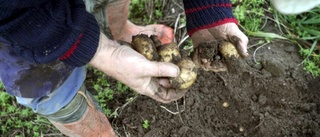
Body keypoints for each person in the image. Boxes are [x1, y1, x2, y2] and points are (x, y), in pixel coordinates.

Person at [1, 0, 317, 136]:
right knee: (42, 82)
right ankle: (99, 134)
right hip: (19, 16)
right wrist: (101, 53)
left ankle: (119, 28)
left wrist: (209, 12)